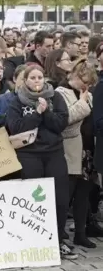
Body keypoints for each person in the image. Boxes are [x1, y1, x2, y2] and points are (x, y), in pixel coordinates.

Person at [5, 65, 77, 260]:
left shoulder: (55, 97)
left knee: (59, 198)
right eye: (32, 78)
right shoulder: (16, 100)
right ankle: (33, 241)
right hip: (29, 154)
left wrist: (46, 112)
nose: (37, 81)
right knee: (32, 200)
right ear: (25, 80)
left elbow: (60, 124)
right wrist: (37, 113)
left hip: (53, 153)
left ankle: (59, 239)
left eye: (40, 77)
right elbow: (16, 127)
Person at [55, 60, 98, 248]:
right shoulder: (60, 93)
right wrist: (82, 104)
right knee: (66, 194)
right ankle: (60, 232)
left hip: (87, 149)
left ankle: (81, 232)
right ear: (76, 76)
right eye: (85, 81)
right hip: (69, 149)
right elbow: (65, 120)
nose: (87, 86)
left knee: (84, 194)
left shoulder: (86, 94)